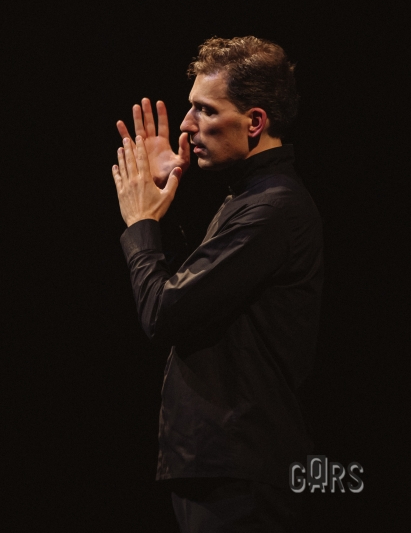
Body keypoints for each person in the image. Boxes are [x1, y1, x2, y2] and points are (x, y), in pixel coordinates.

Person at [112, 37, 323, 532]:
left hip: (239, 471)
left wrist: (141, 223)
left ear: (255, 122)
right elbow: (199, 292)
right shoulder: (250, 200)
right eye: (191, 107)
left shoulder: (271, 209)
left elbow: (163, 313)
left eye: (205, 110)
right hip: (225, 466)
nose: (187, 125)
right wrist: (168, 196)